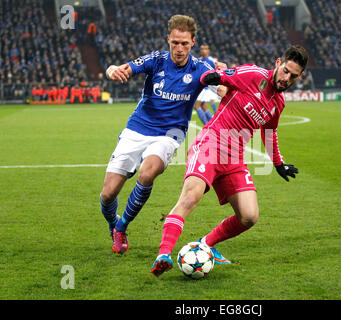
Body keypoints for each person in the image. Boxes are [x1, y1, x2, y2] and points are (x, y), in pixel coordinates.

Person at [150, 45, 309, 277]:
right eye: (285, 71)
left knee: (249, 216)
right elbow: (217, 77)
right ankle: (163, 254)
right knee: (190, 197)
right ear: (278, 63)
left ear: (300, 76)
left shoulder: (278, 104)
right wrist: (213, 77)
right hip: (210, 144)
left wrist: (278, 163)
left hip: (234, 158)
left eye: (293, 76)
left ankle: (206, 244)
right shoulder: (254, 75)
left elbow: (269, 132)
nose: (286, 78)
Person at [100, 15, 226, 254]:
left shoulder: (201, 68)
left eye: (185, 44)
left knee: (148, 172)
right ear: (168, 39)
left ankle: (122, 227)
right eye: (175, 43)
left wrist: (225, 80)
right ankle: (113, 224)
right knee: (108, 194)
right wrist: (112, 70)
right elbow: (121, 68)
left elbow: (221, 87)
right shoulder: (156, 60)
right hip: (137, 129)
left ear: (193, 42)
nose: (179, 49)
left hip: (169, 134)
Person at [194, 44, 220, 125]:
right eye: (202, 49)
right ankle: (213, 125)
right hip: (200, 87)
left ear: (208, 50)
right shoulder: (198, 61)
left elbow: (217, 73)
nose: (203, 51)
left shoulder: (212, 61)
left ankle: (206, 126)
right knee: (204, 107)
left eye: (205, 49)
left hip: (206, 88)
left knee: (196, 106)